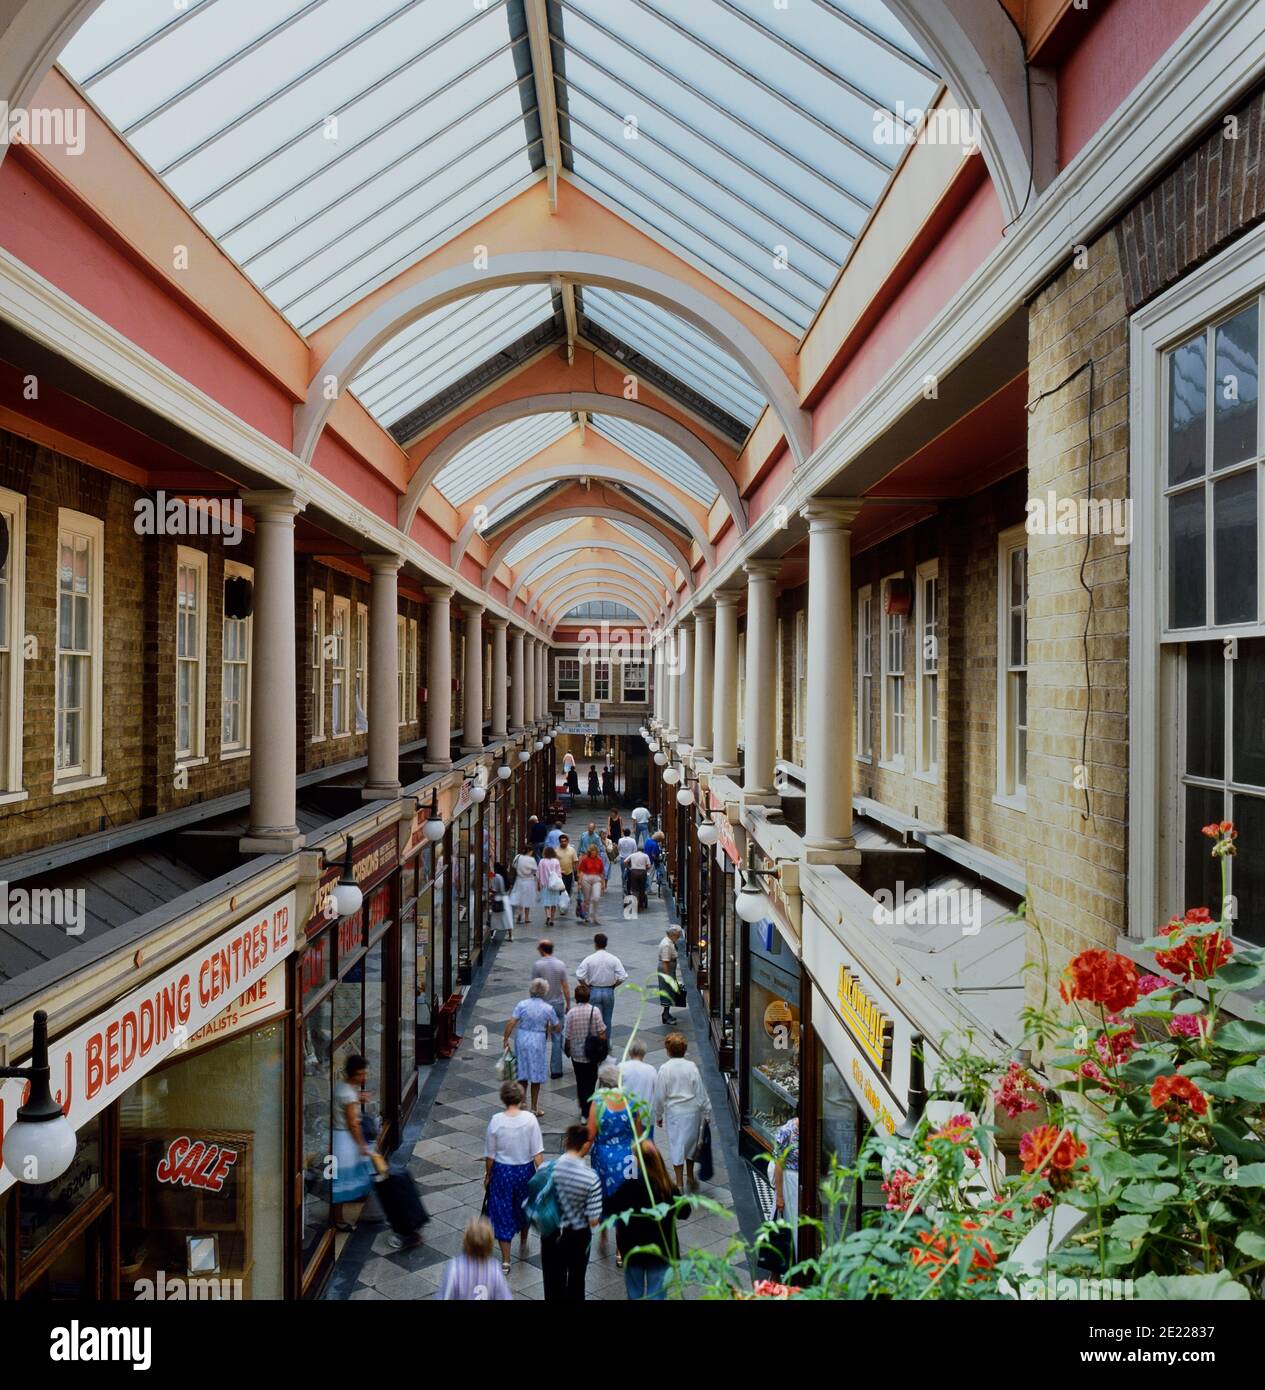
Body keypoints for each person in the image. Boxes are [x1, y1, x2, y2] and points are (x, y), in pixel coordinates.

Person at [610, 1140, 687, 1300]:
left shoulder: (629, 1186)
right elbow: (684, 1212)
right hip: (661, 1251)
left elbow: (611, 1207)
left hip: (633, 1249)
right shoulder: (667, 1187)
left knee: (634, 1293)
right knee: (657, 1294)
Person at [483, 1081, 544, 1273]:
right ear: (521, 1098)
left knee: (502, 1212)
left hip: (502, 1172)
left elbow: (490, 1156)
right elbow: (537, 1154)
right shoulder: (530, 1119)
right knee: (524, 1207)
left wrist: (488, 1175)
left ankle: (506, 1260)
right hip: (525, 1171)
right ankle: (524, 1239)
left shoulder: (495, 1121)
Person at [541, 1124, 604, 1301]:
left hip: (551, 1233)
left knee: (553, 1283)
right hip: (578, 1236)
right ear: (585, 1145)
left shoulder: (546, 1169)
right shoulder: (591, 1177)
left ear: (566, 1141)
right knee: (577, 1282)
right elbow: (593, 1220)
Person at [585, 1063, 640, 1263]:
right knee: (626, 1201)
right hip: (628, 1157)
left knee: (603, 1195)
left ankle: (603, 1232)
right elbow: (638, 1134)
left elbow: (590, 1134)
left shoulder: (598, 1102)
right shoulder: (632, 1101)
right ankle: (620, 1250)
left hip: (604, 1159)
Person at [654, 1033, 712, 1193]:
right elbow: (700, 1091)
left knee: (677, 1146)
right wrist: (707, 1112)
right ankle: (690, 1177)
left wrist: (658, 1115)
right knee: (691, 1146)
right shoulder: (691, 1067)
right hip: (692, 1112)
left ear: (668, 1050)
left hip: (675, 1113)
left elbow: (659, 1095)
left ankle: (678, 1183)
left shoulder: (665, 1069)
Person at [332, 1054, 374, 1231]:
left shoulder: (341, 1087)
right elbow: (353, 1124)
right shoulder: (348, 1094)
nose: (364, 1077)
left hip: (339, 1137)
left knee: (340, 1179)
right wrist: (362, 1145)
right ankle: (338, 1220)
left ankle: (338, 1216)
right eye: (360, 1074)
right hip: (345, 1141)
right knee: (341, 1182)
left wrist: (358, 1098)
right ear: (352, 1074)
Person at [503, 979, 559, 1115]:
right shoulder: (547, 1008)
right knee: (536, 1074)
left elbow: (511, 1022)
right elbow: (556, 1025)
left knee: (522, 1071)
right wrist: (549, 1029)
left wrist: (505, 1039)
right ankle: (534, 1107)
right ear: (545, 992)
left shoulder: (522, 1005)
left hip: (522, 1038)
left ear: (530, 990)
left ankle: (522, 1102)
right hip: (538, 1040)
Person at [438, 1217, 513, 1301]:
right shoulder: (495, 1269)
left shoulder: (455, 1268)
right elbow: (504, 1296)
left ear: (466, 1241)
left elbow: (445, 1296)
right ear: (490, 1245)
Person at [564, 982, 607, 1119]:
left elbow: (568, 1035)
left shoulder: (571, 1013)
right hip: (592, 1054)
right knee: (591, 1080)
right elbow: (602, 1032)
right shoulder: (595, 1011)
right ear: (589, 997)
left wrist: (567, 1048)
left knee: (580, 1081)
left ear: (576, 998)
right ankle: (589, 1107)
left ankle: (584, 1109)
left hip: (577, 1054)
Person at [576, 934, 628, 1039]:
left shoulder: (589, 959)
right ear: (606, 944)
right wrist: (614, 985)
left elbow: (579, 975)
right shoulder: (613, 959)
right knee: (607, 1020)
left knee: (594, 1020)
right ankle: (606, 1044)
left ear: (595, 944)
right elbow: (623, 976)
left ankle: (595, 1044)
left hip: (593, 990)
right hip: (608, 991)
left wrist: (586, 986)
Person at [532, 939, 570, 1080]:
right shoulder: (560, 965)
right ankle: (556, 1070)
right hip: (558, 1003)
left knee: (540, 1035)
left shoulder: (538, 965)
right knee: (557, 1036)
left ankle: (538, 1066)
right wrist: (569, 1003)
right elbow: (565, 986)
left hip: (542, 1004)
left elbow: (534, 987)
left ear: (542, 949)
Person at [772, 1114, 800, 1259]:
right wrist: (780, 1197)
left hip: (800, 1184)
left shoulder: (809, 1130)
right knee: (789, 1223)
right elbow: (778, 1164)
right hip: (789, 1183)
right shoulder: (787, 1131)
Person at [619, 1040, 657, 1137]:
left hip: (625, 1114)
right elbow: (657, 1092)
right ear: (644, 1053)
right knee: (646, 1144)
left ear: (629, 1052)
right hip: (645, 1114)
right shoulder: (651, 1070)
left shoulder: (621, 1067)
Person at [508, 841, 538, 933]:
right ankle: (526, 917)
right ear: (529, 850)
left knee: (520, 899)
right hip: (528, 881)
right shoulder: (531, 860)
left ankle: (519, 914)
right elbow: (534, 871)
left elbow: (513, 865)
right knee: (527, 899)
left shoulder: (518, 857)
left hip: (519, 880)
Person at [658, 925, 682, 1024]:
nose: (679, 937)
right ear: (672, 934)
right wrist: (668, 977)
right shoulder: (667, 945)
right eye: (677, 935)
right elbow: (665, 962)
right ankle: (666, 1016)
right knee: (667, 991)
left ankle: (666, 1013)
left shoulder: (670, 941)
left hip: (669, 969)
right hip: (666, 970)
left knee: (669, 991)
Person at [577, 843, 606, 926]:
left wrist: (603, 883)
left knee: (596, 898)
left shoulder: (599, 860)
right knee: (586, 899)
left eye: (595, 851)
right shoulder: (585, 859)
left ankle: (595, 915)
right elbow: (581, 871)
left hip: (597, 879)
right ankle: (586, 914)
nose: (594, 852)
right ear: (590, 851)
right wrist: (579, 882)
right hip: (586, 878)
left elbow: (602, 873)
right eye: (592, 851)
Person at [537, 845, 565, 928]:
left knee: (546, 902)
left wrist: (538, 884)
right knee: (553, 903)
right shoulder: (556, 861)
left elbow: (538, 874)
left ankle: (548, 915)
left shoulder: (542, 861)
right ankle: (552, 919)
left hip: (545, 884)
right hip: (554, 885)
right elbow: (559, 873)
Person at [555, 834, 578, 919]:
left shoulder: (572, 850)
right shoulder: (556, 851)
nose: (563, 843)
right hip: (560, 874)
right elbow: (554, 862)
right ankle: (562, 907)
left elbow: (575, 861)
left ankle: (565, 904)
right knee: (561, 890)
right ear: (559, 842)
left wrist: (576, 872)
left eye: (565, 841)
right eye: (562, 841)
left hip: (569, 873)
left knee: (568, 890)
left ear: (567, 841)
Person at [490, 862, 513, 941]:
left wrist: (492, 892)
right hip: (505, 899)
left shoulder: (496, 877)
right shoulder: (505, 876)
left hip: (498, 899)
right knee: (507, 919)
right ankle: (510, 936)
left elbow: (495, 889)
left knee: (494, 919)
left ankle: (491, 935)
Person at [627, 843, 651, 913]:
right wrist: (645, 869)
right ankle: (640, 903)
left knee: (634, 889)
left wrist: (629, 868)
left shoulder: (632, 855)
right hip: (642, 872)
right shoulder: (645, 856)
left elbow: (625, 861)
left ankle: (635, 902)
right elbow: (649, 866)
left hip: (633, 872)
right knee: (642, 888)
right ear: (643, 850)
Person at [616, 828, 637, 893]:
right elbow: (635, 849)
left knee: (623, 872)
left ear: (623, 833)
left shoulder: (620, 840)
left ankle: (624, 884)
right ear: (629, 833)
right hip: (630, 858)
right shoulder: (633, 840)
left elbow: (618, 848)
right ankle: (630, 885)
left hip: (623, 858)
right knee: (630, 872)